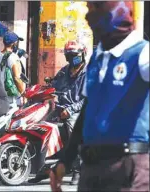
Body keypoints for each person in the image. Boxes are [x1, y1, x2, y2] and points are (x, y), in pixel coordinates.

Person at [50, 1, 149, 191]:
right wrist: (66, 160)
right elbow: (87, 112)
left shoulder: (142, 53)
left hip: (128, 167)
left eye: (95, 8)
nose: (88, 16)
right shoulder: (97, 58)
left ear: (116, 11)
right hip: (92, 169)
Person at [28, 40, 86, 185]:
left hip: (78, 110)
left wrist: (70, 109)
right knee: (39, 126)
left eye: (74, 55)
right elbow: (53, 86)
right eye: (69, 55)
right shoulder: (64, 71)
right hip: (60, 108)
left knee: (74, 134)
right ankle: (42, 168)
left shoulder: (89, 73)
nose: (72, 58)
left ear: (82, 54)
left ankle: (78, 171)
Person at [0, 32, 26, 106]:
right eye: (17, 42)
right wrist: (24, 94)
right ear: (13, 44)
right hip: (11, 98)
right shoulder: (13, 57)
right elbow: (17, 78)